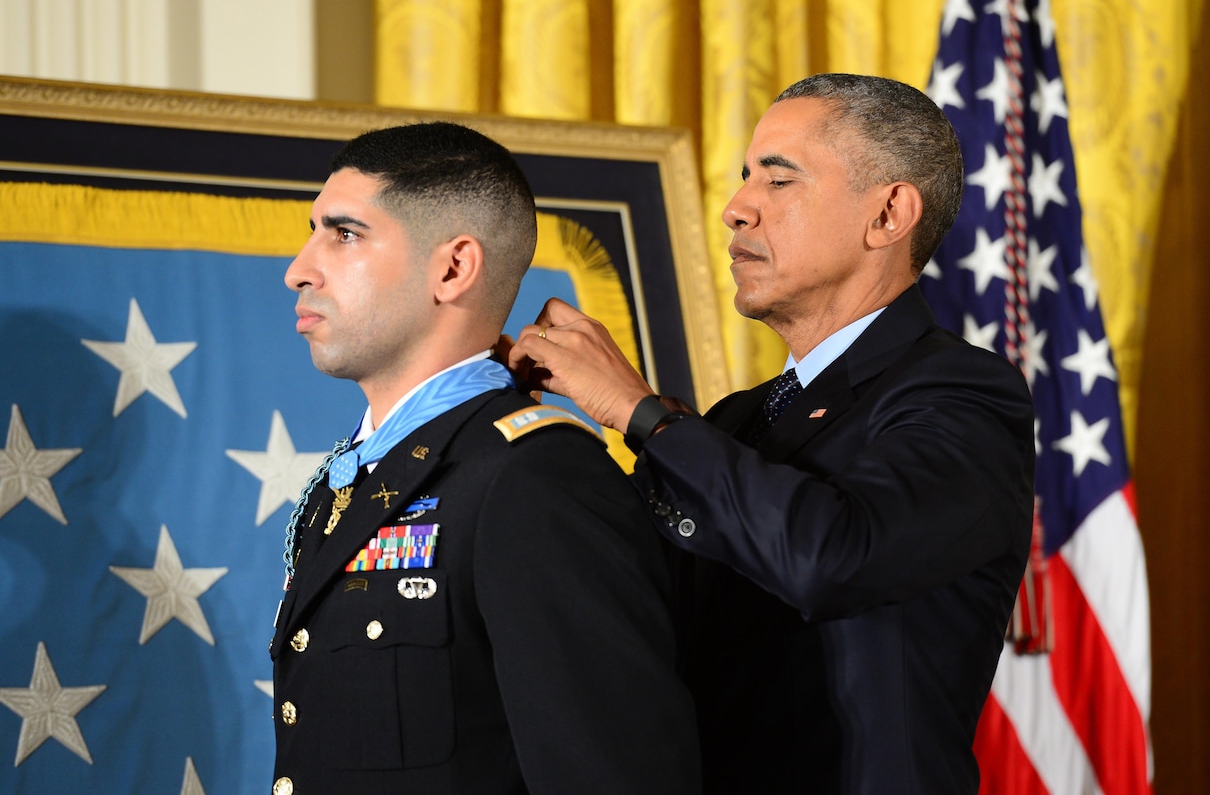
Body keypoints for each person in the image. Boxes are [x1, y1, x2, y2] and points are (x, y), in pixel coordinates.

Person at [506, 73, 1036, 794]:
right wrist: (487, 413)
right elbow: (615, 596)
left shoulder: (963, 393)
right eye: (745, 179)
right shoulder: (735, 421)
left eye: (778, 182)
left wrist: (639, 411)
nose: (735, 210)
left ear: (888, 215)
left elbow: (835, 556)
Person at [269, 121, 700, 795]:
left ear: (452, 268)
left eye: (343, 233)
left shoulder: (535, 477)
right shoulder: (356, 476)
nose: (299, 268)